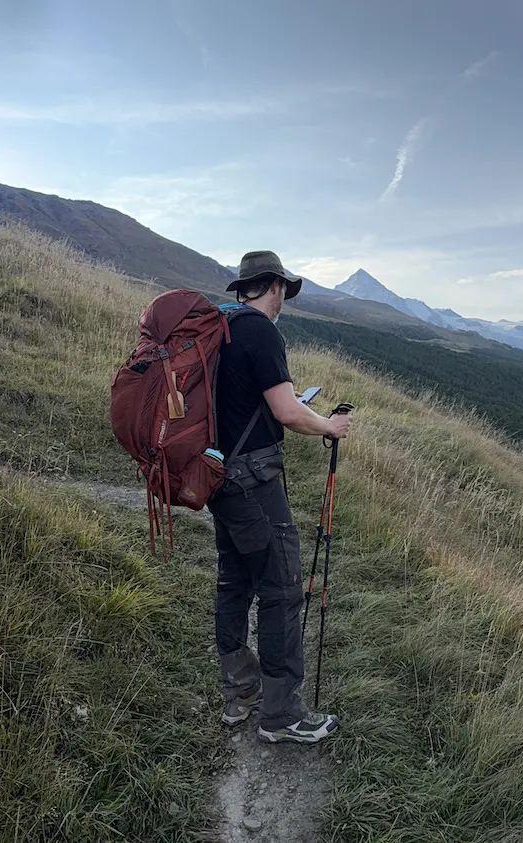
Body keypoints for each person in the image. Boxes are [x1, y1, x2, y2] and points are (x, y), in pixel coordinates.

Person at [211, 250, 352, 744]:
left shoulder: (219, 328)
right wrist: (329, 426)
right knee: (282, 588)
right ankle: (282, 715)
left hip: (218, 477)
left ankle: (240, 693)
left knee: (233, 582)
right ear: (273, 286)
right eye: (283, 291)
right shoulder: (260, 331)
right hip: (254, 482)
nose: (283, 299)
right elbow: (288, 412)